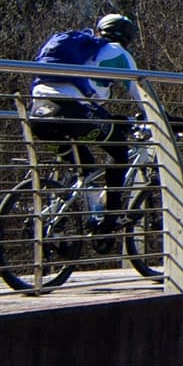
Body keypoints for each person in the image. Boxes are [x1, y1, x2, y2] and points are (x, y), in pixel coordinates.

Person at [27, 14, 140, 230]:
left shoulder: (85, 50)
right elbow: (142, 93)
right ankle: (112, 216)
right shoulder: (118, 53)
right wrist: (162, 117)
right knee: (118, 147)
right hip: (71, 112)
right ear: (127, 36)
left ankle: (68, 216)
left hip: (39, 114)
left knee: (86, 166)